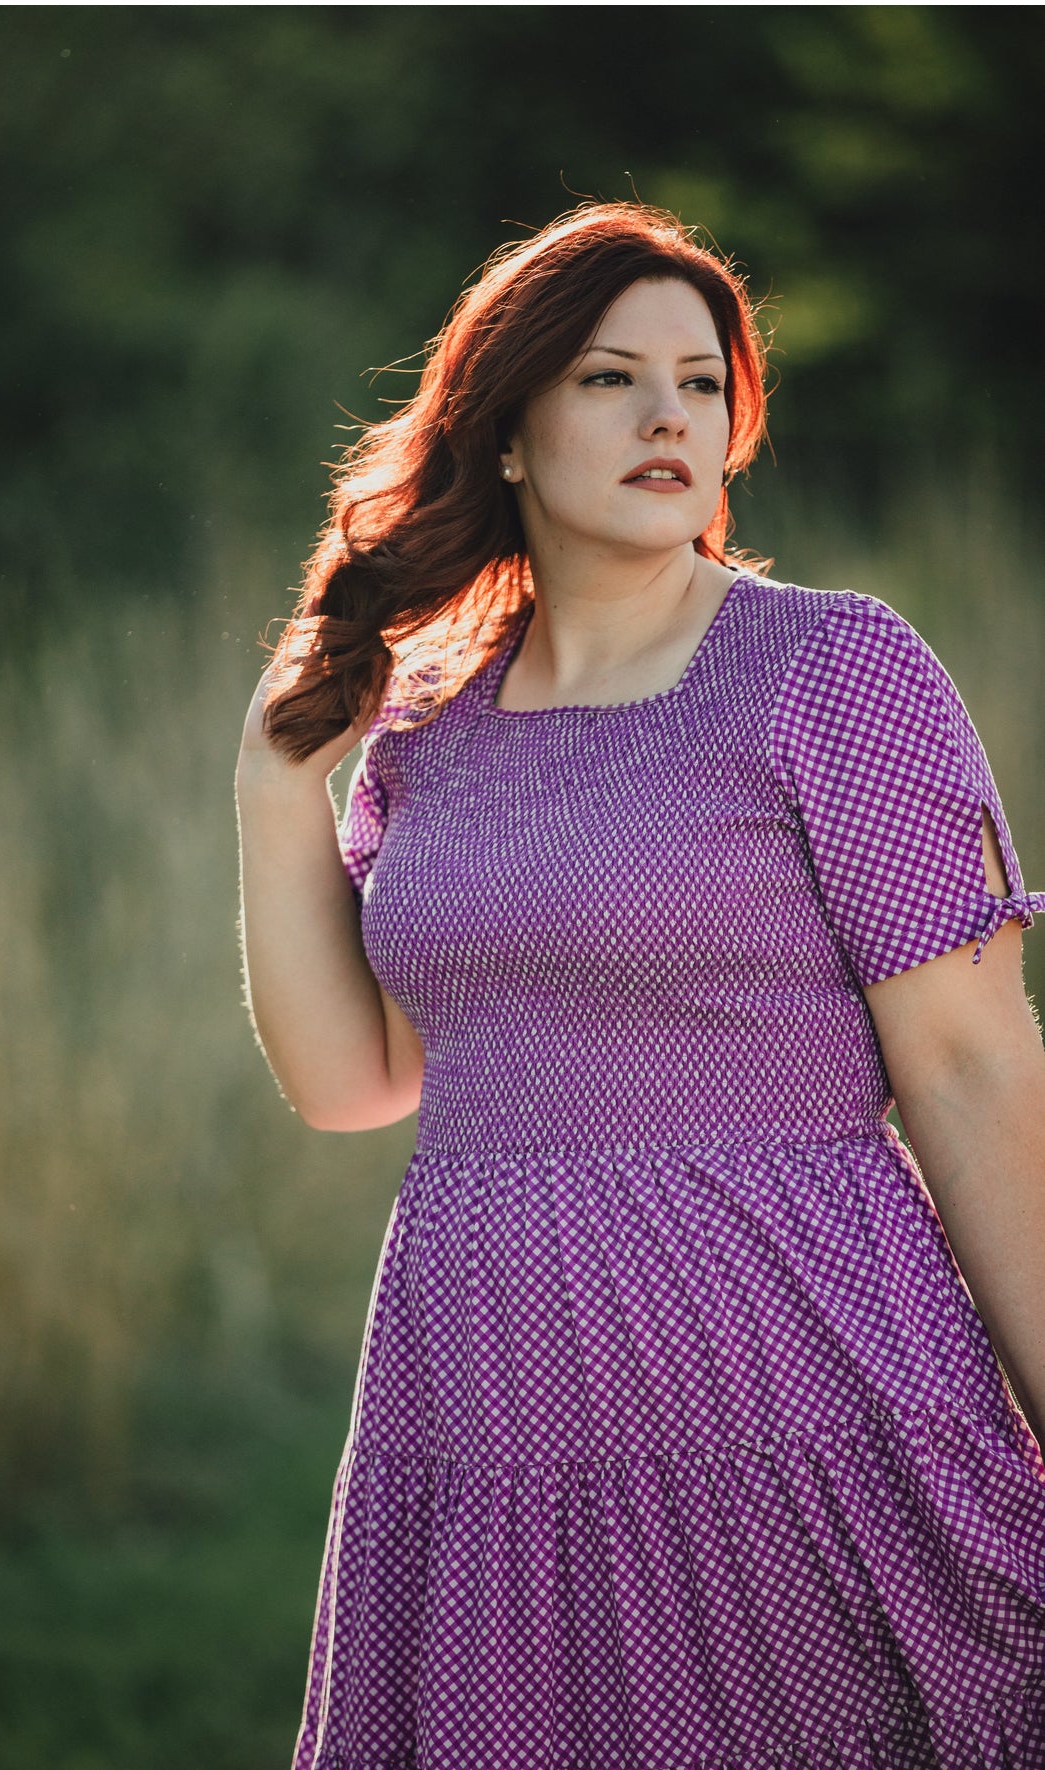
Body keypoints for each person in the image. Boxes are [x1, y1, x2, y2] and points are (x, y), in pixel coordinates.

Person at [235, 203, 1045, 1766]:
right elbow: (360, 1083)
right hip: (486, 1411)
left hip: (795, 1383)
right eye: (611, 377)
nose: (670, 414)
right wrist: (278, 793)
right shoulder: (426, 726)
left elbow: (974, 1072)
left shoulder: (834, 668)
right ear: (512, 434)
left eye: (701, 381)